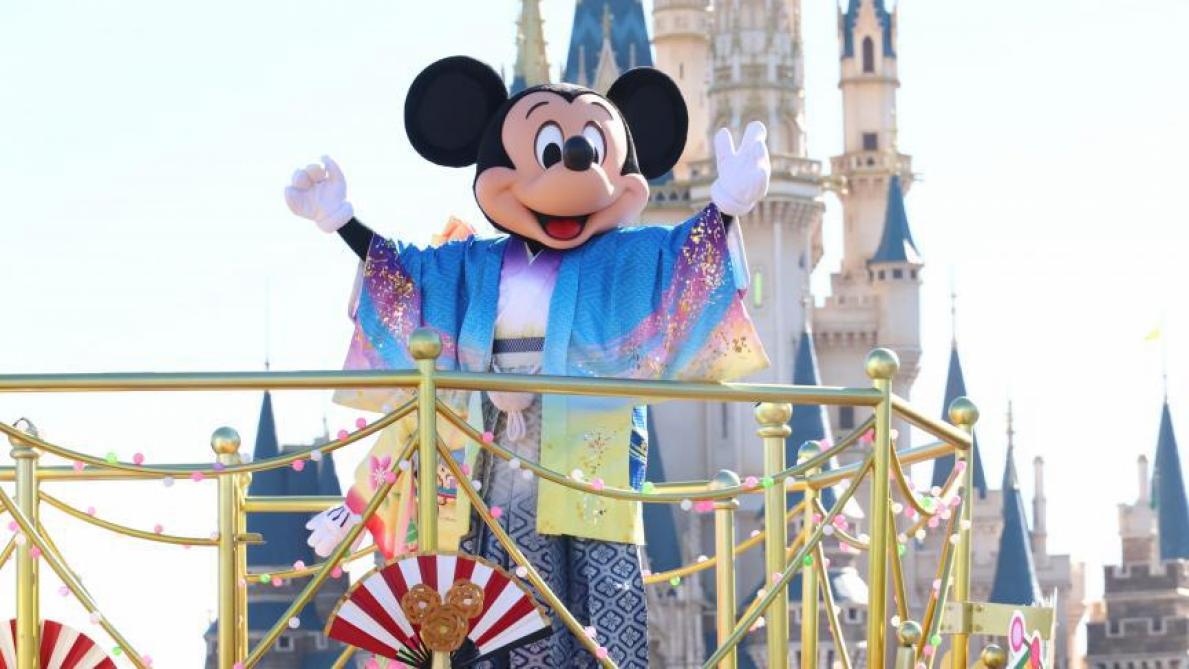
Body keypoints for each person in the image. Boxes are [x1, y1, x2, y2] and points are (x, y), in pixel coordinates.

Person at [286, 56, 771, 668]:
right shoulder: (473, 263)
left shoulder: (621, 259)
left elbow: (678, 263)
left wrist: (725, 207)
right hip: (502, 441)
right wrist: (342, 223)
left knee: (606, 574)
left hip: (592, 440)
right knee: (518, 575)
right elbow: (407, 274)